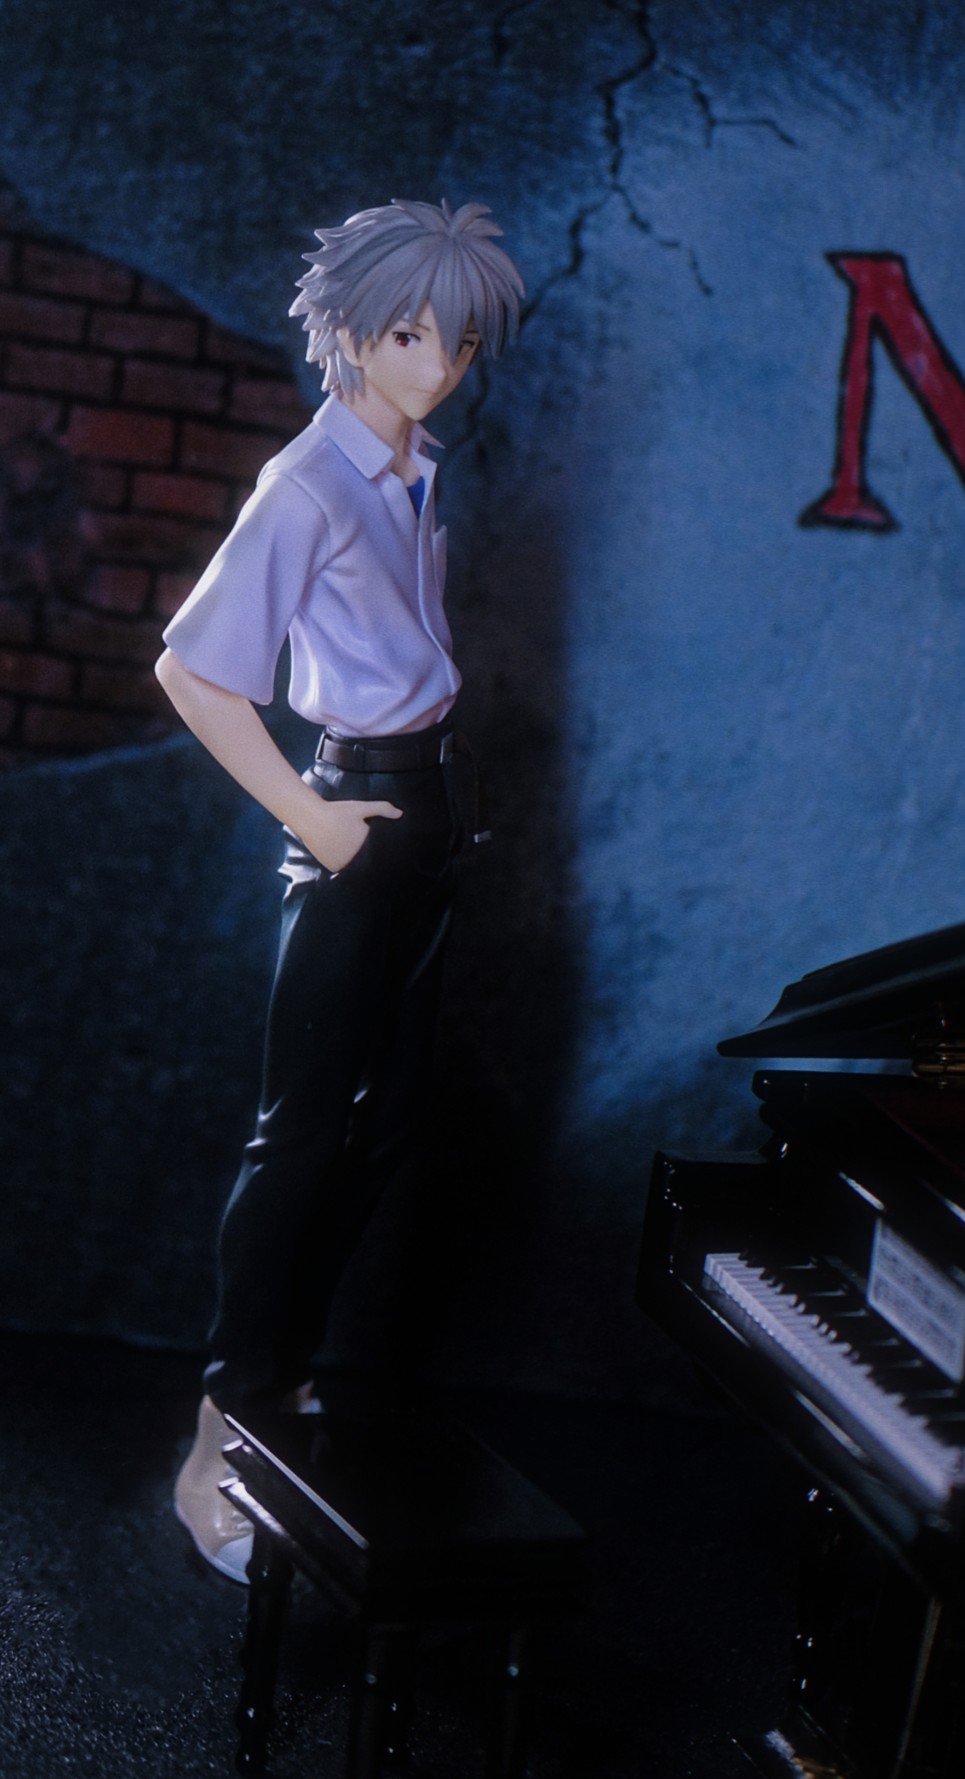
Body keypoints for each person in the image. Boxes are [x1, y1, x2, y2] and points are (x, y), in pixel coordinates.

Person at [157, 198, 523, 1582]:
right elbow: (194, 670)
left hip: (432, 804)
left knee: (387, 1124)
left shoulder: (413, 465)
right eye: (412, 335)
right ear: (353, 334)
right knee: (298, 1134)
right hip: (356, 806)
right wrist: (312, 815)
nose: (439, 365)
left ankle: (286, 1377)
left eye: (459, 342)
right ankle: (220, 1428)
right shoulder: (309, 482)